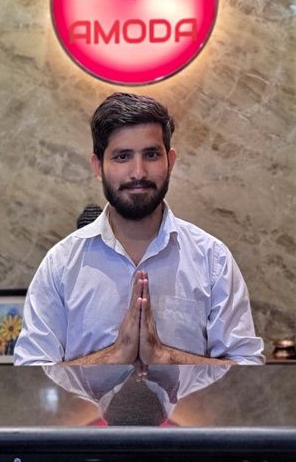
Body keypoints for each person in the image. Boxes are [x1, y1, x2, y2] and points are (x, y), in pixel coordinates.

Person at [14, 93, 265, 366]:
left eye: (151, 155)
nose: (138, 172)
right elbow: (31, 373)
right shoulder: (61, 264)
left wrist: (164, 357)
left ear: (170, 161)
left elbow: (247, 368)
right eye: (122, 156)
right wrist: (114, 356)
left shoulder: (212, 259)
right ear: (98, 166)